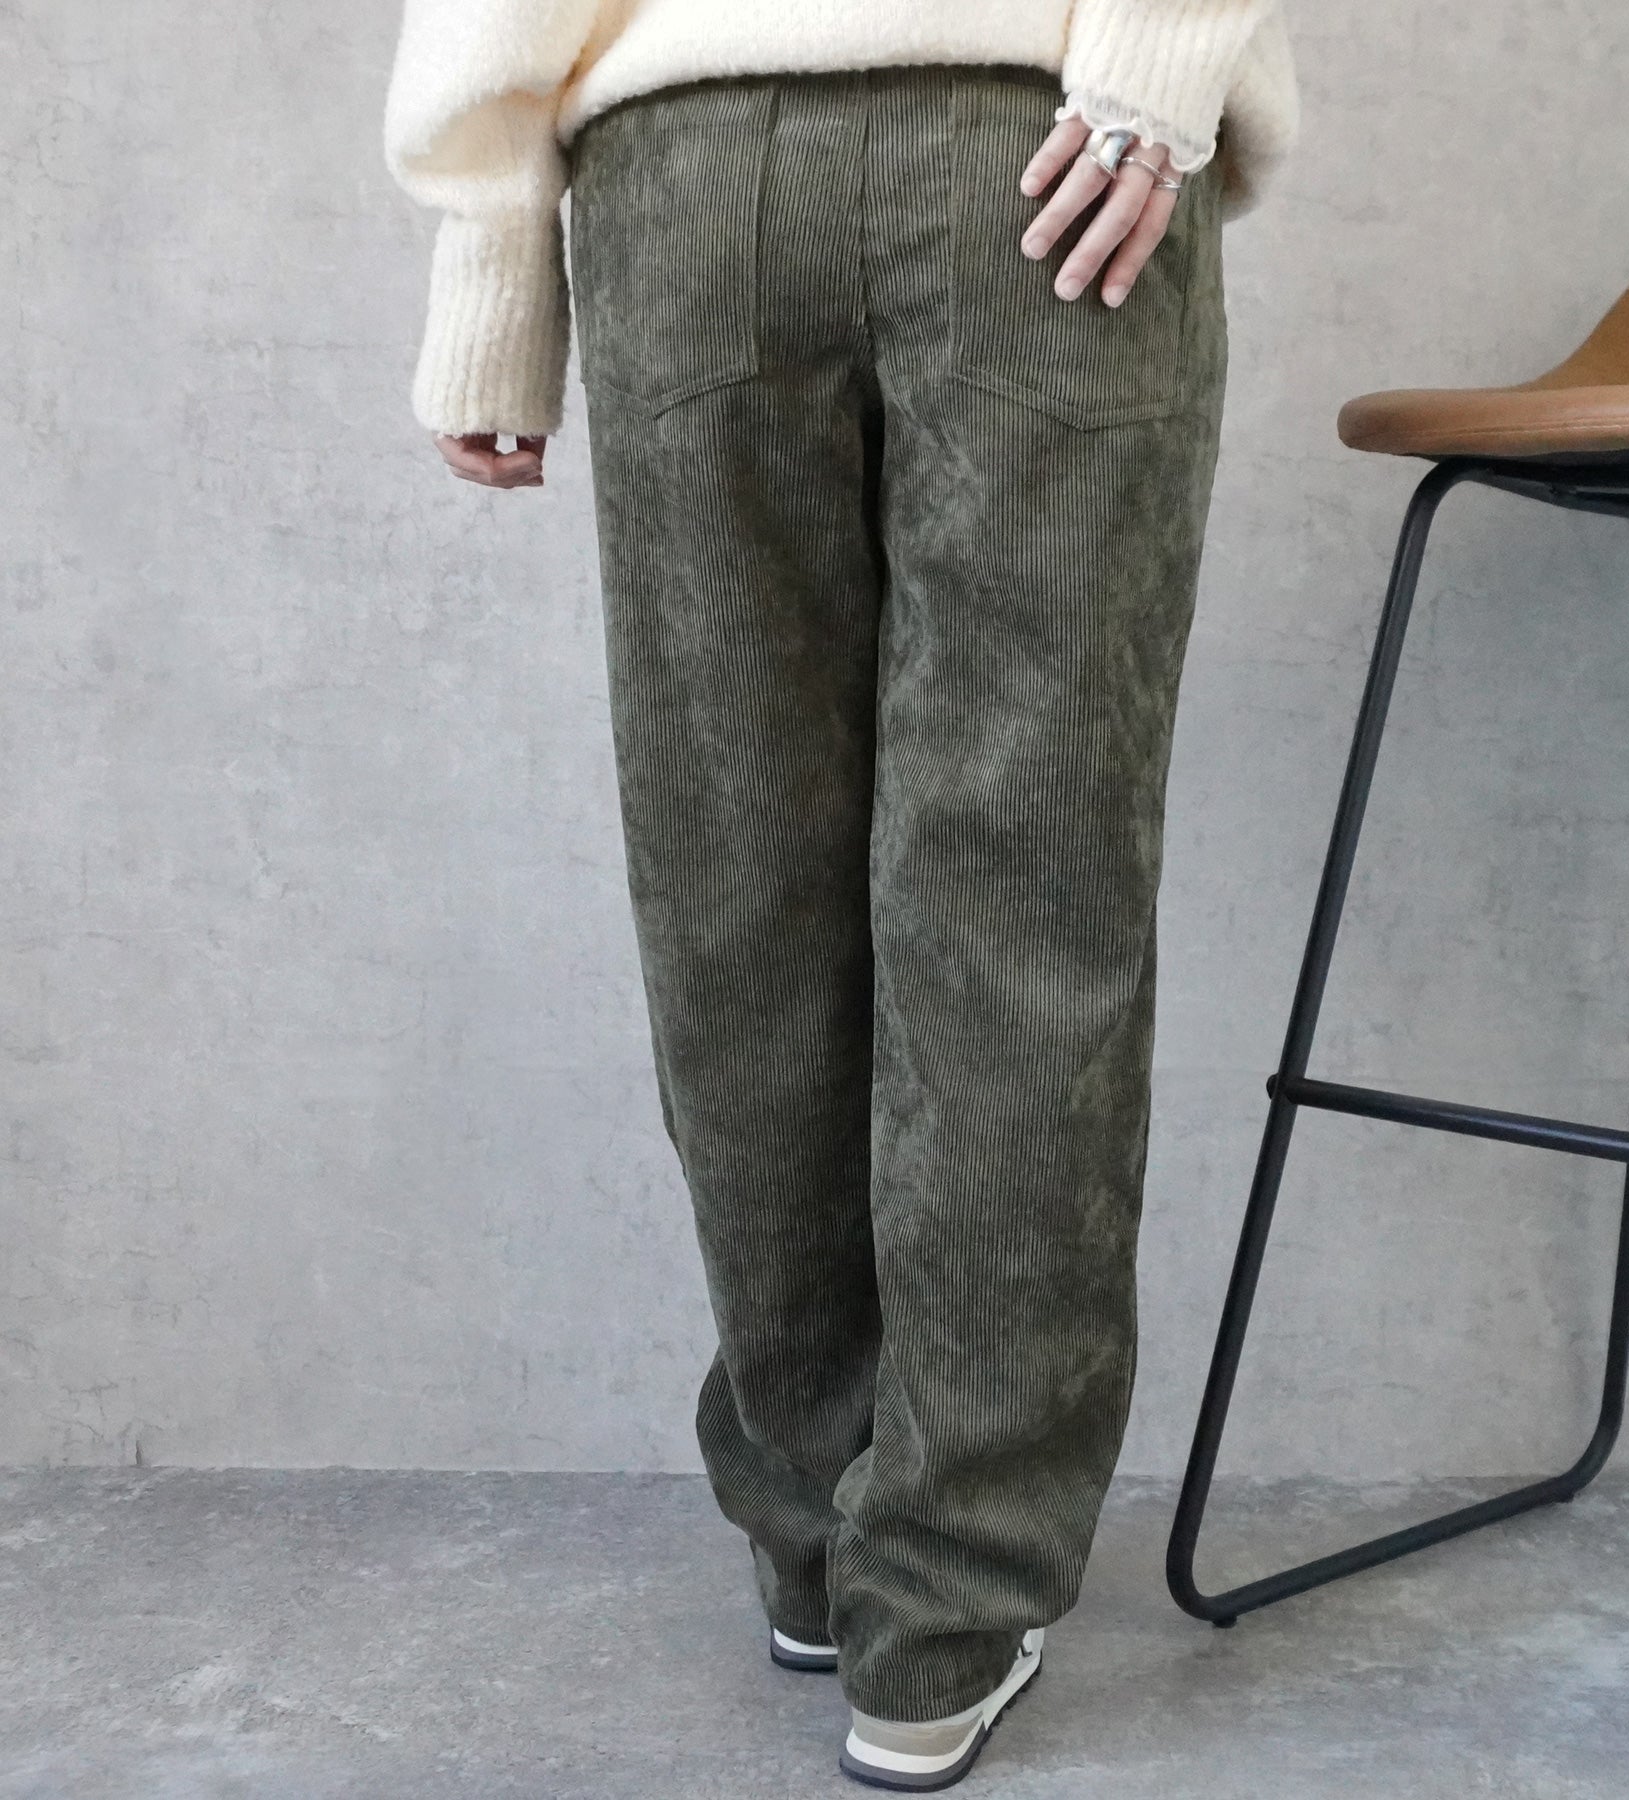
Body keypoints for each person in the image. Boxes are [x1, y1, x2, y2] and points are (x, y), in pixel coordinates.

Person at [384, 3, 1298, 1788]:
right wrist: (1160, 54)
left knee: (738, 894)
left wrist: (492, 238)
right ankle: (940, 1609)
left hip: (692, 173)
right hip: (1043, 145)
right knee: (1021, 903)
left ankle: (816, 1534)